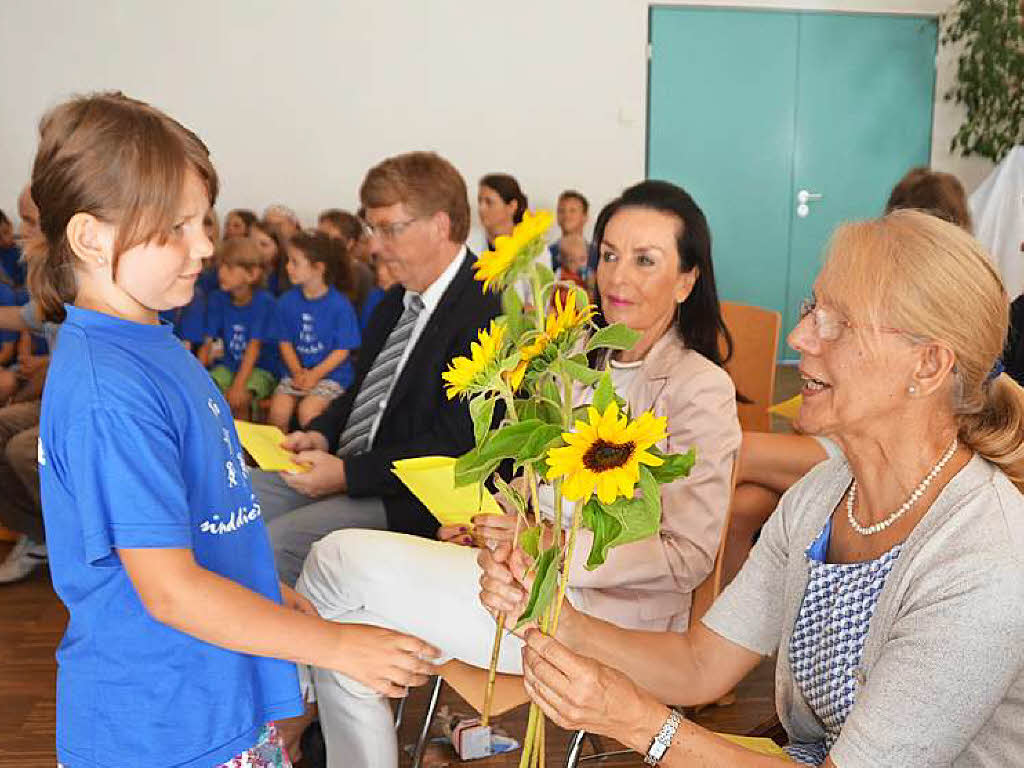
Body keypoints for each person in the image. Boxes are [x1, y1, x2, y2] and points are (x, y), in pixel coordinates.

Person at [480, 209, 1024, 766]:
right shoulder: (824, 497)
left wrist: (637, 720)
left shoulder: (984, 559)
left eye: (838, 323)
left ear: (929, 365)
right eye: (814, 309)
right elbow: (699, 665)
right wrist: (557, 617)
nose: (799, 337)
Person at [29, 91, 438, 768]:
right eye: (175, 229)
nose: (205, 246)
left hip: (213, 699)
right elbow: (168, 589)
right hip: (159, 728)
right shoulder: (110, 390)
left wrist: (264, 589)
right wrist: (338, 647)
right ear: (89, 237)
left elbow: (194, 524)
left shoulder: (153, 339)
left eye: (205, 222)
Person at [295, 179, 742, 766]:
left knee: (335, 560)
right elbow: (541, 484)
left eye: (645, 260)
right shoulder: (577, 359)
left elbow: (687, 554)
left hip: (597, 611)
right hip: (513, 575)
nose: (617, 277)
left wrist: (553, 548)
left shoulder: (699, 388)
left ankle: (278, 715)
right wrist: (500, 520)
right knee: (355, 629)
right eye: (609, 255)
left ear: (687, 280)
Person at [249, 150, 502, 586]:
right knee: (233, 495)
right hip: (354, 468)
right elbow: (362, 391)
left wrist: (347, 475)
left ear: (440, 226)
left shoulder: (488, 308)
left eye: (389, 229)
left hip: (414, 496)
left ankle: (286, 651)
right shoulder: (396, 301)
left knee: (281, 541)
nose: (375, 245)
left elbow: (458, 442)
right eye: (372, 228)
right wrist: (320, 433)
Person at [721, 166, 976, 584]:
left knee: (737, 452)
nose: (799, 337)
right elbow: (703, 655)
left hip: (878, 438)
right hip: (851, 437)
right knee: (746, 501)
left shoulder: (972, 555)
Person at [0, 186, 53, 583]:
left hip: (86, 406)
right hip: (57, 401)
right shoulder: (48, 274)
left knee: (22, 450)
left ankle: (73, 539)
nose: (21, 231)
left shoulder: (81, 278)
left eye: (30, 221)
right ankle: (39, 535)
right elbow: (24, 318)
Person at [268, 231, 360, 432]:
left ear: (318, 268)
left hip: (332, 376)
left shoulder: (340, 306)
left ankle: (312, 459)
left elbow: (342, 350)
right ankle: (278, 461)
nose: (287, 267)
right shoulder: (286, 302)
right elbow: (285, 342)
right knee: (278, 411)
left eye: (295, 262)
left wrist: (315, 375)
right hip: (296, 374)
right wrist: (298, 373)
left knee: (309, 412)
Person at [199, 237, 281, 420]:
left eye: (229, 268)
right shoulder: (217, 298)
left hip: (260, 369)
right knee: (206, 390)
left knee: (239, 398)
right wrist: (195, 377)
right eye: (221, 266)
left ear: (252, 274)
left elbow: (254, 347)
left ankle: (241, 445)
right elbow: (208, 342)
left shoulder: (265, 303)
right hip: (228, 365)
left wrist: (238, 386)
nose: (221, 273)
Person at [317, 208, 376, 315]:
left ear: (349, 243)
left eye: (327, 237)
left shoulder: (361, 273)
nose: (320, 242)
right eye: (319, 236)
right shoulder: (318, 268)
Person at [477, 173, 528, 251]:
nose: (481, 208)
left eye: (489, 202)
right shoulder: (468, 245)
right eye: (479, 201)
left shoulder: (532, 246)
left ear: (512, 206)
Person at [549, 189, 590, 269]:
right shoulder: (547, 254)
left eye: (572, 210)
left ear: (585, 217)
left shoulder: (597, 255)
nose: (566, 215)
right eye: (561, 211)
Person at [251, 218, 291, 296]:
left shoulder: (286, 276)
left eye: (264, 245)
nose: (256, 249)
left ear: (279, 248)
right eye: (251, 243)